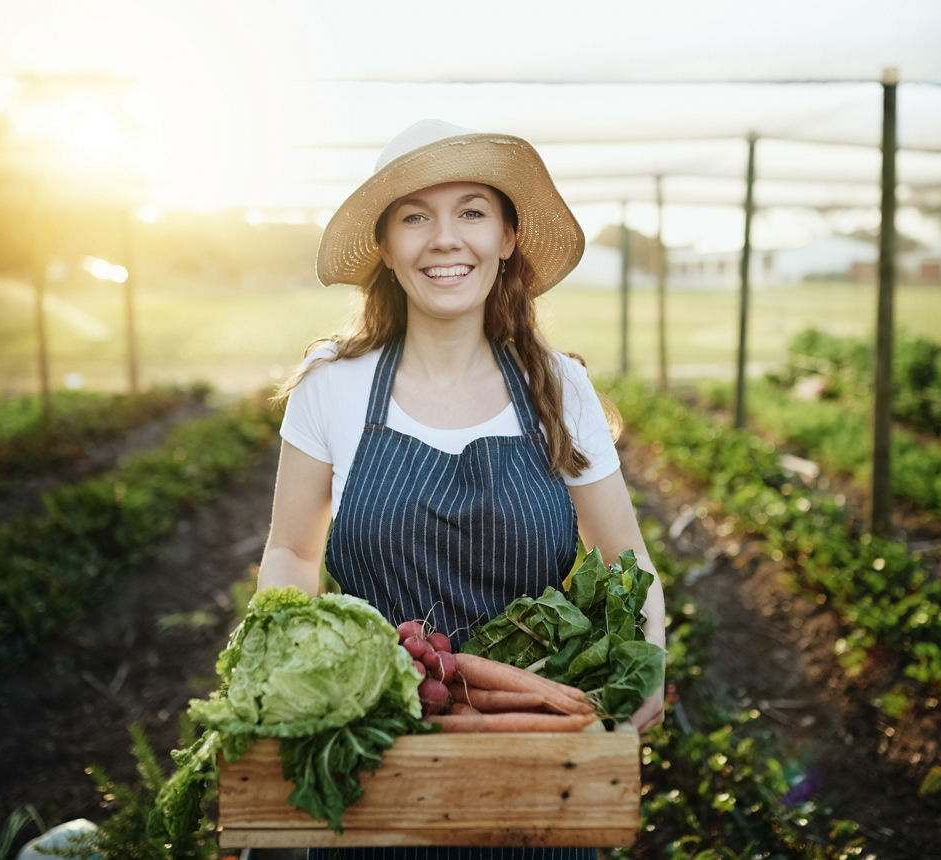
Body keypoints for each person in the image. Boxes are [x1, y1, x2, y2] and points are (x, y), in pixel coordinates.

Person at [255, 119, 666, 856]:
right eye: (416, 216)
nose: (445, 239)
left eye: (472, 211)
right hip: (373, 751)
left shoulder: (558, 386)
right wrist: (281, 662)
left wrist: (651, 663)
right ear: (386, 245)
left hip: (537, 758)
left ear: (507, 237)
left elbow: (627, 560)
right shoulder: (333, 384)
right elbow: (289, 551)